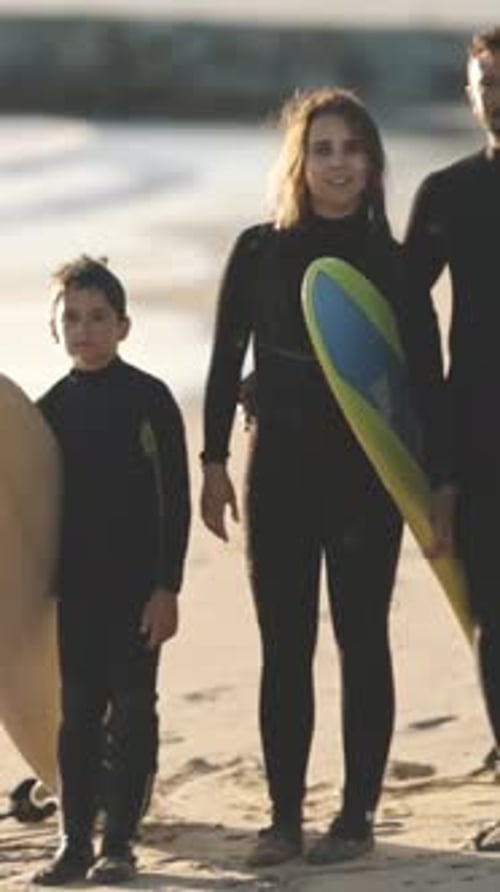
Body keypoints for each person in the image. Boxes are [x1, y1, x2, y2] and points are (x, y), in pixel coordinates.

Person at [200, 87, 443, 868]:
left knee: (362, 639)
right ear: (300, 163)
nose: (338, 163)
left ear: (373, 166)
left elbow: (424, 384)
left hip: (365, 479)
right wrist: (210, 461)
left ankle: (356, 815)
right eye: (323, 149)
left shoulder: (394, 263)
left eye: (352, 149)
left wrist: (432, 485)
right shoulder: (259, 250)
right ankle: (281, 819)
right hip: (277, 471)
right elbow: (223, 359)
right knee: (285, 645)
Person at [33, 256, 191, 885]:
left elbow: (172, 499)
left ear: (124, 326)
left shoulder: (149, 399)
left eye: (99, 318)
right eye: (71, 318)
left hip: (136, 590)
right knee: (76, 717)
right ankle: (74, 841)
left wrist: (167, 586)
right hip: (75, 592)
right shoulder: (46, 413)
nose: (84, 329)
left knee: (131, 711)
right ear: (54, 330)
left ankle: (119, 842)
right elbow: (25, 512)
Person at [404, 26, 500, 849]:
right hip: (479, 442)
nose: (497, 93)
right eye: (487, 80)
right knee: (495, 620)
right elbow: (400, 319)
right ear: (470, 92)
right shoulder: (447, 194)